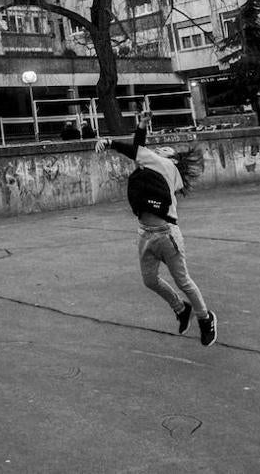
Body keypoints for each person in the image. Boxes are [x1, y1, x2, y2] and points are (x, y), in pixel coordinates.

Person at [97, 111, 218, 347]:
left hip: (166, 235)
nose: (159, 150)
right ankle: (182, 309)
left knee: (183, 281)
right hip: (145, 233)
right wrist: (141, 125)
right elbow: (140, 149)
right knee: (150, 281)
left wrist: (109, 142)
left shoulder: (162, 164)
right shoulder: (160, 168)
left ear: (172, 159)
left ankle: (205, 318)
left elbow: (135, 150)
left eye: (165, 150)